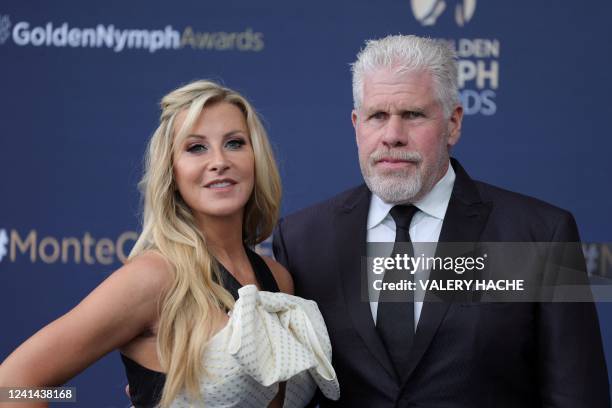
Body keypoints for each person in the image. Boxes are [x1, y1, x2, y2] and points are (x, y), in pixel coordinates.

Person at [273, 35, 610, 407]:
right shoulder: (303, 239)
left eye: (413, 115)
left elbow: (578, 396)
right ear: (356, 125)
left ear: (453, 124)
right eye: (377, 116)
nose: (392, 136)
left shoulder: (539, 236)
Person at [0, 80, 340, 407]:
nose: (219, 161)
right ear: (172, 172)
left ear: (256, 158)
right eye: (196, 147)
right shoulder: (154, 278)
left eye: (235, 142)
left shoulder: (278, 280)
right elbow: (14, 384)